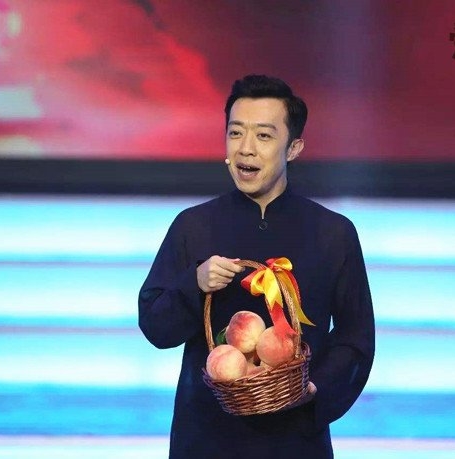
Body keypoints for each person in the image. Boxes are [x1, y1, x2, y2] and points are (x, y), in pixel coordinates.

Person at [138, 74, 375, 458]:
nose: (246, 149)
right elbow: (155, 327)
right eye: (235, 133)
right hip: (206, 438)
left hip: (295, 439)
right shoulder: (193, 226)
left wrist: (313, 390)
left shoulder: (333, 233)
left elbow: (356, 337)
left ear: (293, 148)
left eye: (263, 136)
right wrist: (194, 284)